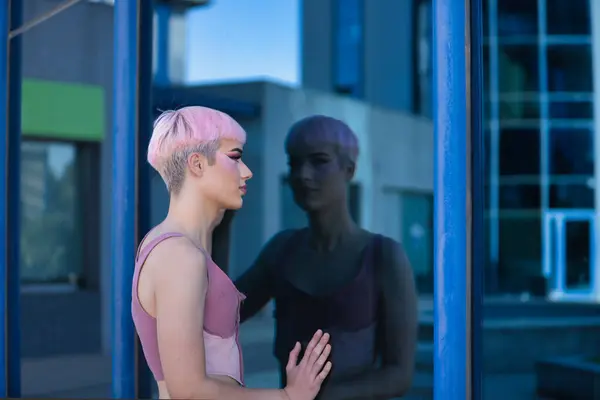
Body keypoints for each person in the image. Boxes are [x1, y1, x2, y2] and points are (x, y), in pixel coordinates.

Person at [131, 106, 333, 400]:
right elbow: (188, 391)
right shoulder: (180, 256)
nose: (247, 171)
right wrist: (288, 396)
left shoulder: (175, 246)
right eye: (235, 158)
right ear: (197, 164)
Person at [219, 115, 418, 399]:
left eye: (319, 161)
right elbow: (220, 318)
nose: (303, 175)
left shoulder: (384, 257)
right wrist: (221, 226)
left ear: (348, 169)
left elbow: (399, 374)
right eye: (294, 163)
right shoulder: (282, 252)